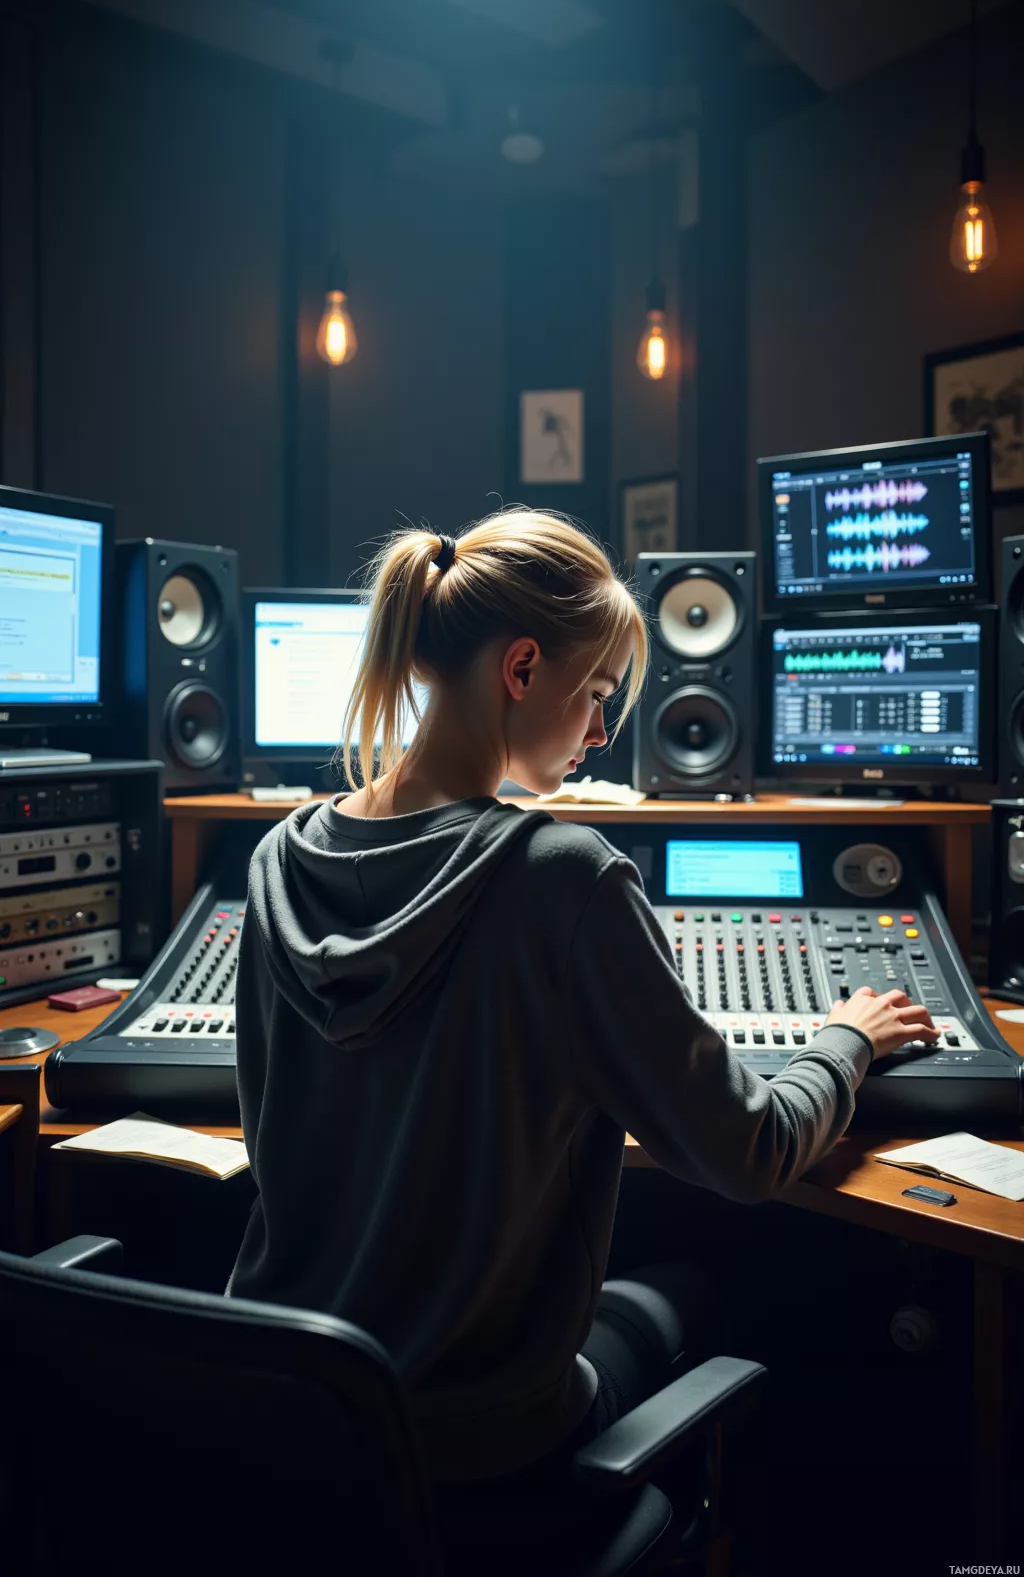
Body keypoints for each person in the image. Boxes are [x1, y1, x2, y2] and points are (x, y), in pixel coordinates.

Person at [227, 507, 940, 1508]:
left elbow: (273, 1138)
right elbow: (749, 1152)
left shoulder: (274, 860)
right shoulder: (564, 878)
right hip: (476, 1453)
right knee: (698, 1289)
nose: (601, 730)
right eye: (597, 694)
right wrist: (842, 1042)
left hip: (290, 1409)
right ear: (521, 670)